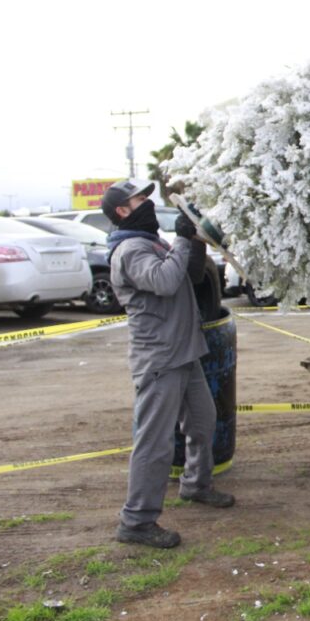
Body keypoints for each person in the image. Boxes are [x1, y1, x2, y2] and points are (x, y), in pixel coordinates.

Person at [103, 180, 234, 549]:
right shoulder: (130, 249)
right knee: (155, 442)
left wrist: (192, 240)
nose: (146, 201)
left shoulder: (149, 242)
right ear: (122, 211)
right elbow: (163, 281)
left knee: (203, 421)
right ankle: (137, 521)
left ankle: (196, 485)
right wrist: (179, 240)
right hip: (160, 357)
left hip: (184, 351)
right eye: (139, 198)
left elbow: (187, 278)